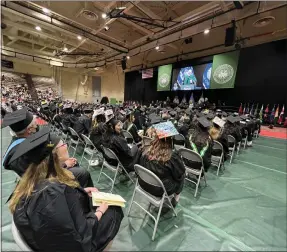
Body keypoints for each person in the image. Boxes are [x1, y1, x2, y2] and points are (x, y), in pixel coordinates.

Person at [9, 128, 124, 252]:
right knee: (114, 210)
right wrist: (100, 212)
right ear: (54, 154)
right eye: (63, 144)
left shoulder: (35, 180)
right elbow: (81, 235)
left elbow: (61, 211)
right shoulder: (51, 193)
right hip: (77, 246)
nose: (66, 145)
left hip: (50, 239)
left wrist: (82, 192)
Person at [2, 109, 93, 188]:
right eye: (35, 124)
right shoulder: (26, 153)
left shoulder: (18, 142)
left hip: (37, 176)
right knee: (83, 173)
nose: (37, 125)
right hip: (42, 184)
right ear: (29, 130)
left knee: (73, 163)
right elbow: (40, 175)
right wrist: (65, 164)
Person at [139, 121, 185, 207]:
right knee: (182, 176)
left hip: (144, 184)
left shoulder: (147, 150)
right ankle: (176, 198)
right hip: (161, 189)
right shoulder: (171, 156)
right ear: (171, 139)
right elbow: (180, 173)